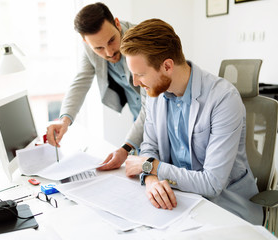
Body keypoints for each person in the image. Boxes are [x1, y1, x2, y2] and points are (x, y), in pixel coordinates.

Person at [121, 18, 263, 225]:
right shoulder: (155, 93)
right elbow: (150, 146)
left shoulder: (223, 98)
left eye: (140, 74)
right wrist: (150, 178)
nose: (135, 83)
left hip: (223, 205)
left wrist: (151, 166)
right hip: (179, 196)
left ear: (167, 66)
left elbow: (212, 184)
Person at [46, 2, 145, 170]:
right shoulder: (89, 49)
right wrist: (64, 121)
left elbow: (151, 105)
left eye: (112, 40)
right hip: (138, 119)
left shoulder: (142, 42)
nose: (109, 52)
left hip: (163, 117)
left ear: (117, 23)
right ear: (85, 41)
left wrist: (126, 147)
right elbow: (81, 81)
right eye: (99, 47)